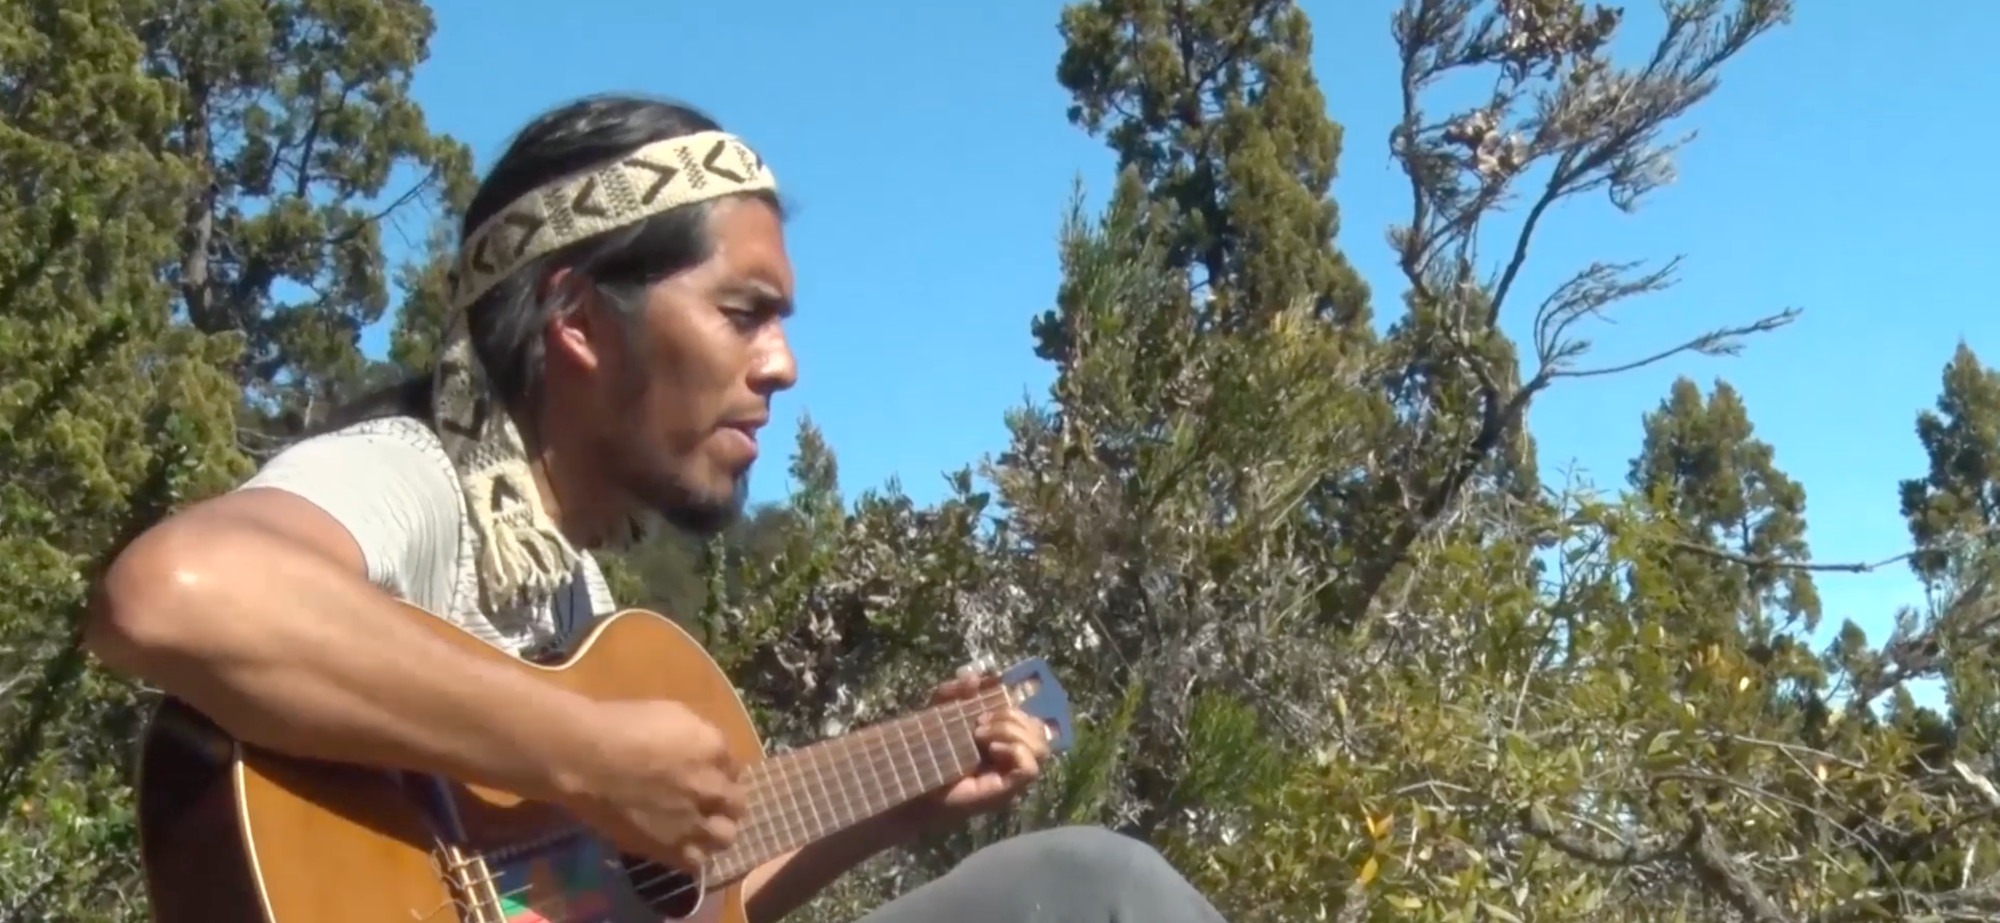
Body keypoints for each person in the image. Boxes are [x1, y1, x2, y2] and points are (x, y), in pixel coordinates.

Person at [83, 94, 1228, 923]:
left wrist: (893, 804)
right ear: (577, 317)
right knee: (1100, 891)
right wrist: (588, 753)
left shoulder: (578, 601)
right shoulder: (410, 476)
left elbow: (646, 895)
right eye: (743, 312)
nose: (781, 365)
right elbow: (176, 596)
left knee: (1075, 886)